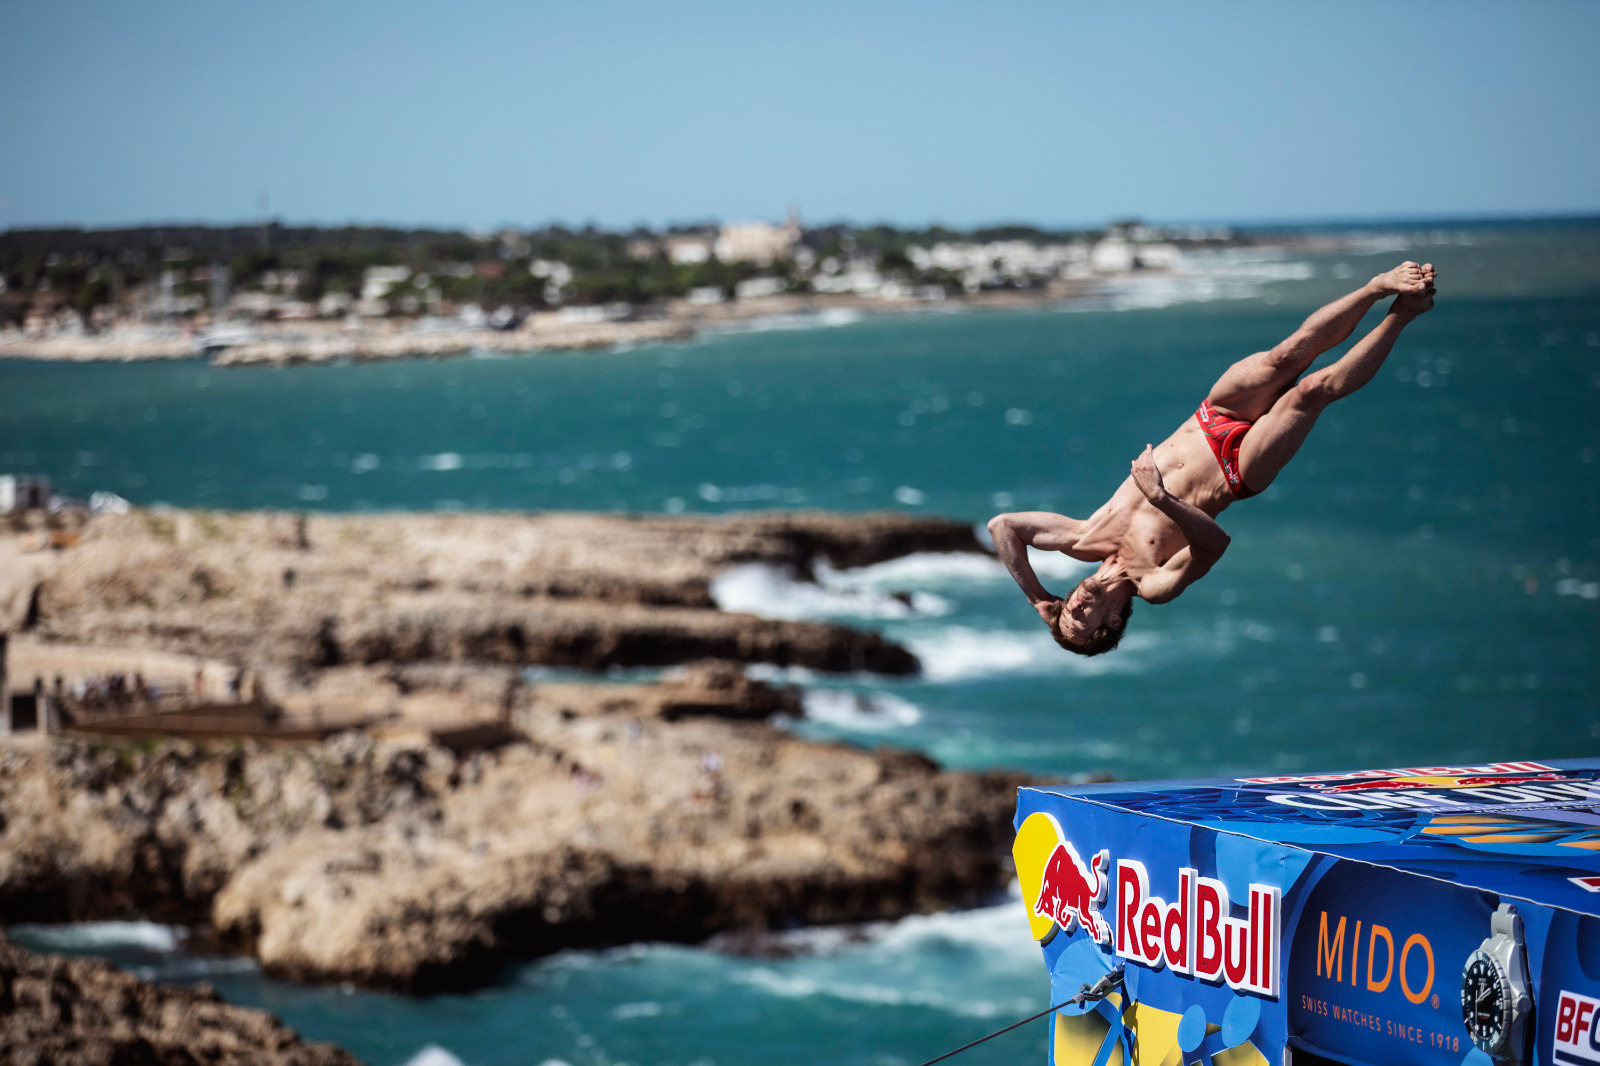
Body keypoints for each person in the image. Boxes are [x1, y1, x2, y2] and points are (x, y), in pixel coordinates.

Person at [988, 262, 1437, 656]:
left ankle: (1377, 287)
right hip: (1235, 470)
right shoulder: (1154, 584)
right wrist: (1159, 497)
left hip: (1210, 419)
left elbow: (1003, 527)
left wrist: (1037, 600)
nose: (1077, 606)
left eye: (1069, 611)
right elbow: (1215, 546)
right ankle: (1402, 316)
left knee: (1288, 354)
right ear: (1111, 625)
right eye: (1082, 620)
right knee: (1311, 392)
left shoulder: (1083, 539)